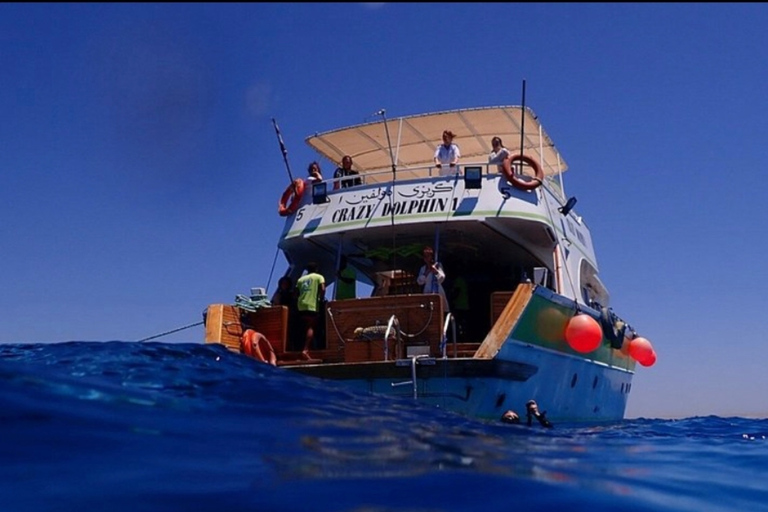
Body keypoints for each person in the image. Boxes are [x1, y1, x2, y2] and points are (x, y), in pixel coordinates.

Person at [296, 262, 326, 360]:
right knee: (311, 327)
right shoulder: (319, 277)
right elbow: (323, 289)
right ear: (316, 269)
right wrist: (321, 299)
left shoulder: (301, 279)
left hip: (301, 305)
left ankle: (304, 347)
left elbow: (296, 293)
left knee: (304, 327)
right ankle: (306, 350)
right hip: (312, 305)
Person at [416, 246, 449, 313]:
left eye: (428, 256)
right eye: (425, 256)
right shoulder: (423, 268)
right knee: (428, 310)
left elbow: (442, 278)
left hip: (437, 290)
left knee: (439, 309)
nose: (427, 258)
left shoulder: (438, 265)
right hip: (427, 291)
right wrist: (427, 272)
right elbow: (419, 282)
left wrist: (436, 271)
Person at [450, 274, 470, 341]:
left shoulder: (458, 280)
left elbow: (456, 292)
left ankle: (461, 338)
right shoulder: (462, 280)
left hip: (459, 305)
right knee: (462, 323)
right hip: (464, 305)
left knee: (459, 323)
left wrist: (451, 300)